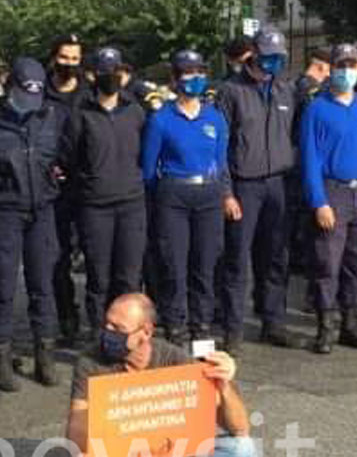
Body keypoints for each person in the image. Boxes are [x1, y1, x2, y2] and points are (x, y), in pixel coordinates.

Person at [65, 293, 253, 457]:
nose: (107, 332)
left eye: (118, 328)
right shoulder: (90, 360)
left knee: (243, 449)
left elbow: (240, 428)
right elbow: (78, 420)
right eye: (106, 324)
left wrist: (224, 385)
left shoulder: (176, 358)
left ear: (145, 332)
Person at [0, 57, 66, 391]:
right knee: (1, 286)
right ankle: (1, 356)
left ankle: (46, 355)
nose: (30, 102)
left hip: (41, 209)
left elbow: (61, 157)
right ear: (9, 87)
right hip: (4, 210)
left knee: (42, 285)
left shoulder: (49, 118)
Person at [299, 43, 357, 353]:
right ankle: (326, 327)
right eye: (341, 65)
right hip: (333, 191)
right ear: (332, 68)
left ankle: (351, 323)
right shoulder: (317, 108)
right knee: (328, 263)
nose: (347, 71)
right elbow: (310, 158)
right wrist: (318, 201)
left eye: (352, 64)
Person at [217, 27, 299, 352]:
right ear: (254, 54)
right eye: (268, 58)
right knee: (238, 260)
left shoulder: (285, 90)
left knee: (276, 256)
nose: (273, 64)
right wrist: (226, 192)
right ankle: (233, 330)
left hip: (277, 182)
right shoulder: (231, 91)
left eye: (279, 58)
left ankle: (273, 322)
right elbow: (220, 147)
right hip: (243, 185)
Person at [141, 49, 229, 346]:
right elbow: (149, 169)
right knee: (174, 264)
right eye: (188, 73)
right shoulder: (161, 119)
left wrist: (224, 194)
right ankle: (176, 325)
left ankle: (201, 325)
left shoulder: (214, 118)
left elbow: (221, 162)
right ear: (175, 79)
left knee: (205, 264)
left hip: (208, 194)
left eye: (200, 72)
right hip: (174, 195)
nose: (195, 79)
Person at [59, 46, 147, 338]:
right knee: (99, 278)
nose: (112, 77)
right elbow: (70, 157)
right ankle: (102, 337)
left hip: (131, 204)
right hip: (95, 207)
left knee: (129, 278)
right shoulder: (80, 114)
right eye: (105, 72)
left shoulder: (135, 110)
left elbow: (145, 152)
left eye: (116, 71)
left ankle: (130, 337)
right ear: (93, 75)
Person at [46, 34, 87, 342]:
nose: (70, 64)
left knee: (97, 258)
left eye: (75, 59)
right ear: (53, 57)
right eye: (65, 58)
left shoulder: (89, 92)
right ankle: (67, 318)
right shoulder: (40, 92)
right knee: (56, 258)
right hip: (53, 188)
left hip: (87, 186)